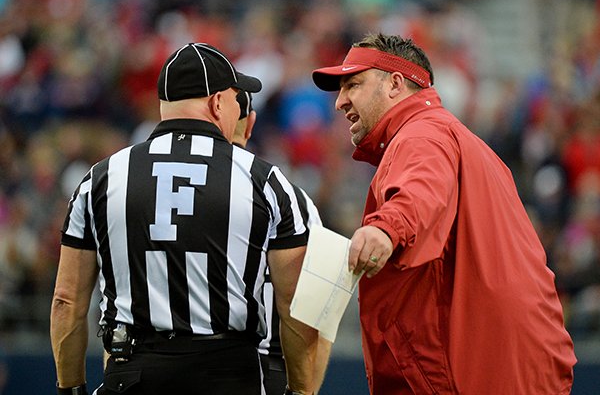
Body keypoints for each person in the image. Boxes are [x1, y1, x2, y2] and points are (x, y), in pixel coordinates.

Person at [311, 33, 577, 394]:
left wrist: (386, 229)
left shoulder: (421, 136)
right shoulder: (460, 139)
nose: (340, 101)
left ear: (395, 84)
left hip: (471, 365)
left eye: (353, 84)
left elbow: (420, 191)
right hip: (516, 359)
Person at [50, 42, 319, 395]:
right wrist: (299, 390)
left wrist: (71, 389)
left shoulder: (101, 178)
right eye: (238, 98)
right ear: (217, 102)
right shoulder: (263, 179)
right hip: (230, 374)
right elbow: (295, 306)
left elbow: (66, 302)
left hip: (133, 371)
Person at [233, 91, 331, 395]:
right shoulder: (292, 197)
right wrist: (305, 389)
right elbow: (323, 309)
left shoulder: (133, 179)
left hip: (166, 365)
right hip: (272, 368)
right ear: (250, 124)